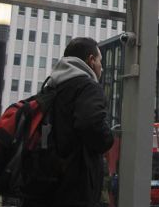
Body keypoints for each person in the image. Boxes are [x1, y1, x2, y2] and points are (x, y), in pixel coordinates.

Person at [21, 37, 115, 206]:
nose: (102, 66)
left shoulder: (50, 87)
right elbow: (90, 124)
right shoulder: (89, 87)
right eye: (100, 60)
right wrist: (108, 138)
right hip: (75, 186)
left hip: (44, 182)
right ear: (91, 61)